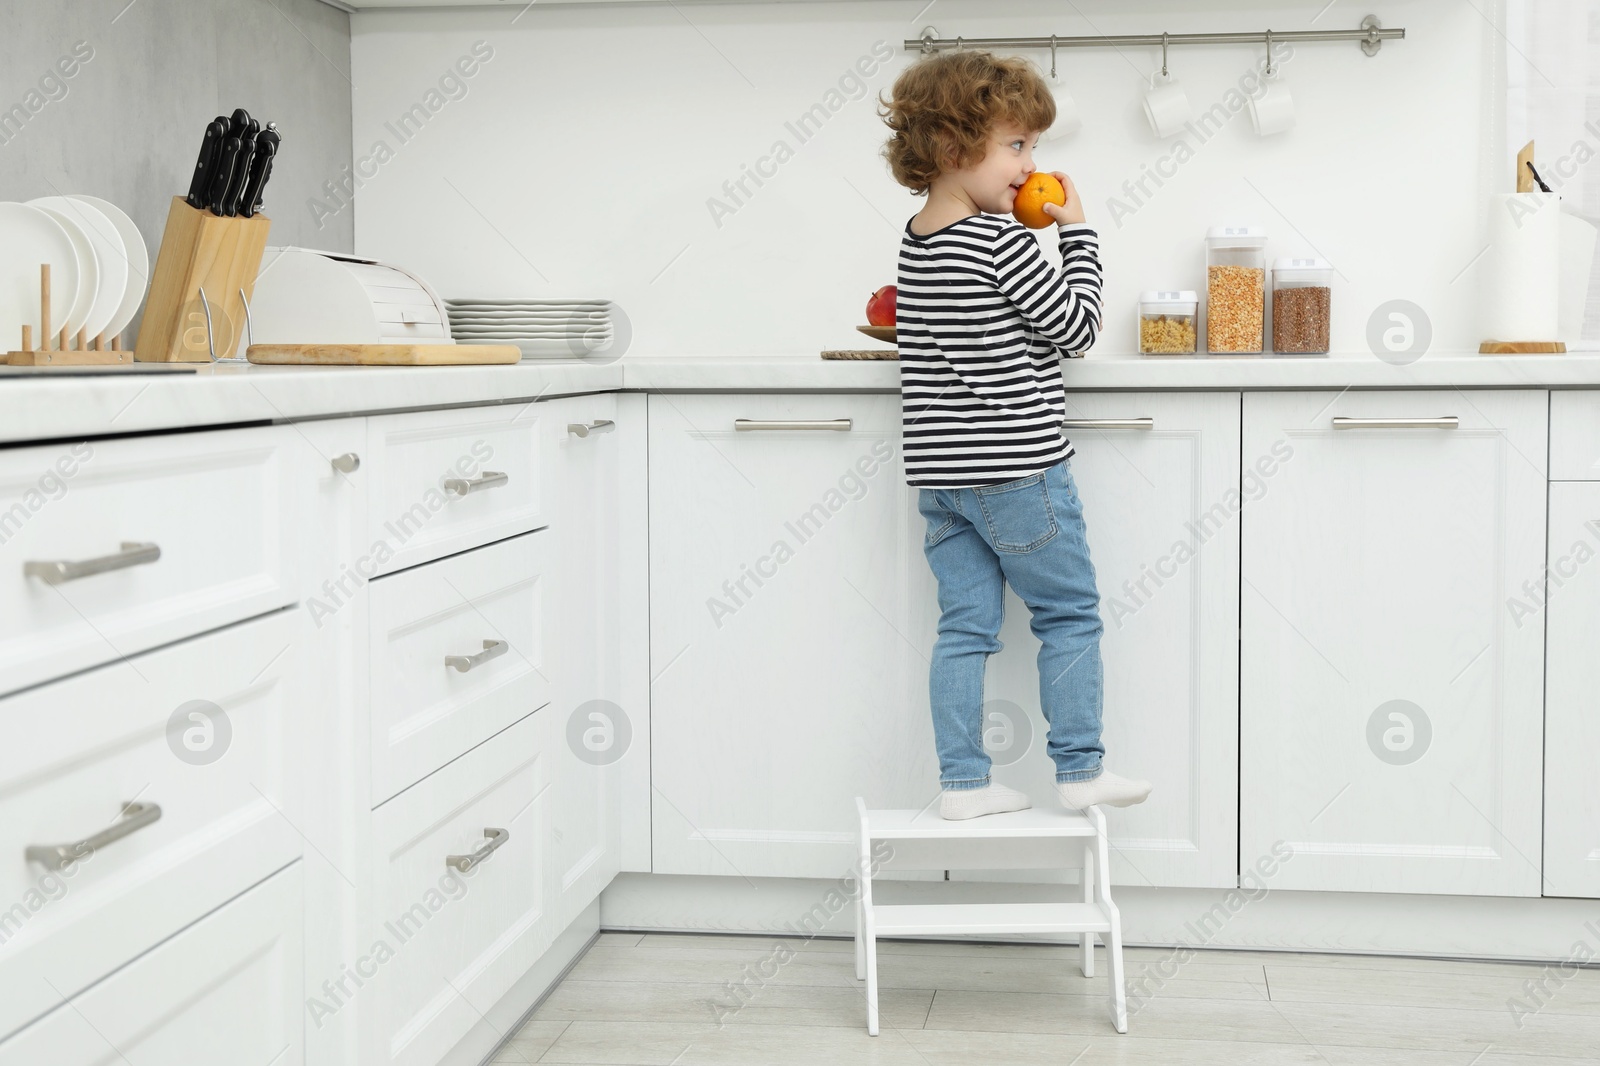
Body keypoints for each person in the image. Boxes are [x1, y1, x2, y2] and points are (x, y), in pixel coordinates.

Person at [878, 49, 1152, 820]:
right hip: (1020, 472)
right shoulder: (1003, 245)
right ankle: (1079, 770)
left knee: (964, 628)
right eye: (1018, 146)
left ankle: (962, 784)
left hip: (944, 483)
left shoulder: (915, 243)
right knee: (1068, 615)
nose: (1032, 165)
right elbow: (1077, 330)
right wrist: (1079, 236)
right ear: (951, 147)